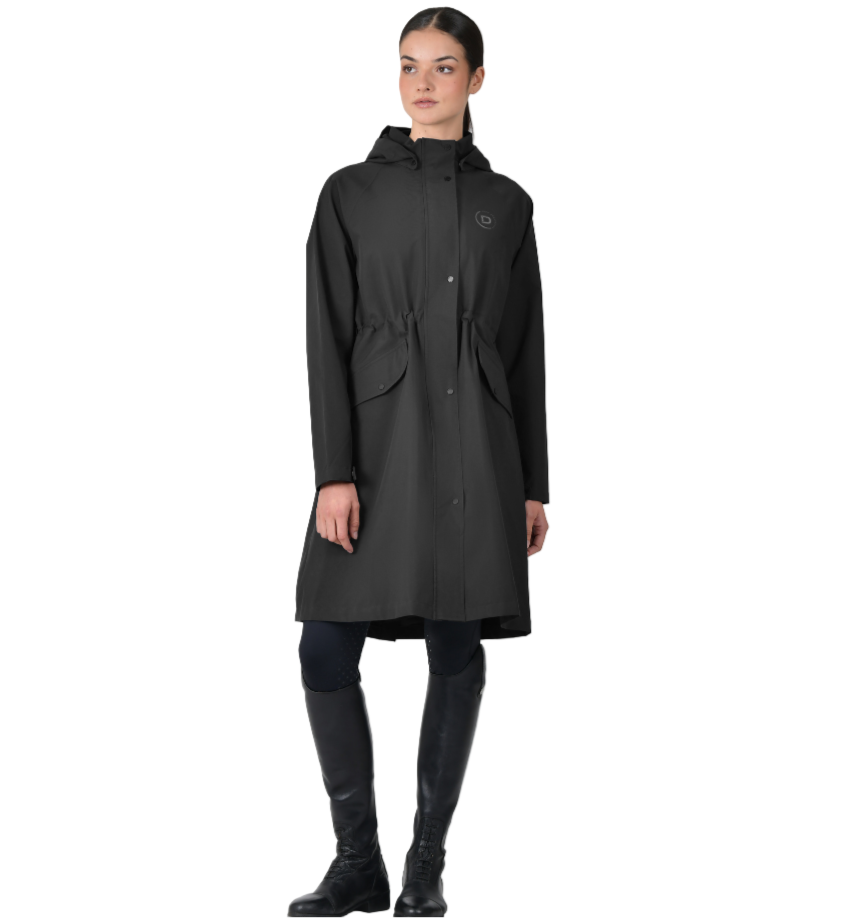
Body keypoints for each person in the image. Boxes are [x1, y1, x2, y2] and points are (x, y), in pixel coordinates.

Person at [289, 8, 550, 917]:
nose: (423, 83)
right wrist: (333, 471)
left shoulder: (507, 204)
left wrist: (532, 486)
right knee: (325, 644)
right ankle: (355, 859)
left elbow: (524, 350)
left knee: (457, 643)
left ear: (476, 79)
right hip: (375, 449)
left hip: (479, 452)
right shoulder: (348, 193)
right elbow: (324, 336)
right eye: (409, 66)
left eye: (443, 66)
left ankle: (425, 866)